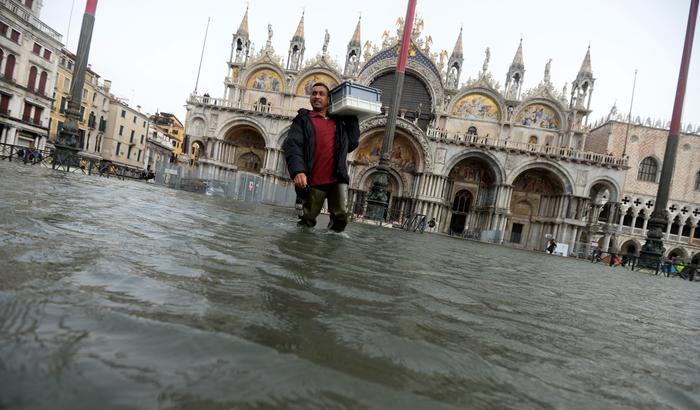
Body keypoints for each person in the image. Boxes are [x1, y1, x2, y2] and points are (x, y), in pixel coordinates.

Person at [283, 82, 360, 232]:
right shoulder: (302, 120)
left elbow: (350, 145)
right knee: (308, 219)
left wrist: (353, 119)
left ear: (329, 100)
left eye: (321, 94)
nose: (317, 96)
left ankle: (329, 251)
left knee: (341, 218)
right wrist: (298, 171)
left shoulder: (338, 122)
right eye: (314, 93)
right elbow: (293, 146)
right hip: (314, 180)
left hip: (337, 178)